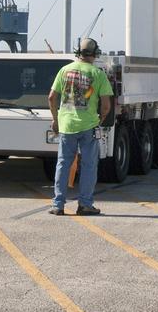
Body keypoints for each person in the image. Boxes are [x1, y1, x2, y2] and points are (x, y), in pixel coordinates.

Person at [47, 38, 113, 216]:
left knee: (63, 164)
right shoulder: (98, 74)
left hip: (67, 125)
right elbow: (106, 105)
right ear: (95, 53)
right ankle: (84, 204)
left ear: (78, 52)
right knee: (89, 165)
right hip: (88, 126)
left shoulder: (65, 70)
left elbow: (52, 97)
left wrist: (56, 119)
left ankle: (58, 205)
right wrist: (100, 120)